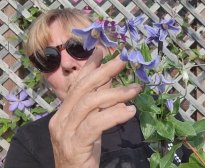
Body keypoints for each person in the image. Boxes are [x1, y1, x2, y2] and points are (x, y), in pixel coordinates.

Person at [4, 8, 152, 168]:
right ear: (45, 78)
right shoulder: (28, 144)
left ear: (111, 51)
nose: (67, 64)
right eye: (49, 58)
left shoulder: (155, 113)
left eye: (79, 46)